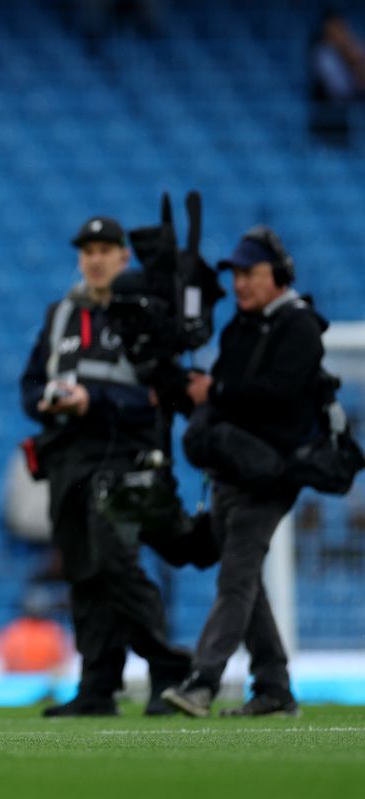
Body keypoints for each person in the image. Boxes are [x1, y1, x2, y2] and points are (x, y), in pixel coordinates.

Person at [20, 216, 191, 717]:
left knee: (116, 562)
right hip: (67, 459)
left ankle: (168, 670)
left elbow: (160, 396)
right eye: (87, 249)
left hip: (124, 456)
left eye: (105, 249)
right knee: (82, 572)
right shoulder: (60, 315)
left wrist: (92, 400)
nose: (95, 258)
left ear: (124, 257)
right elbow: (29, 386)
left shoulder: (145, 315)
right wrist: (48, 402)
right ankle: (98, 685)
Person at [162, 228, 323, 718]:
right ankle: (274, 688)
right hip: (233, 472)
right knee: (245, 579)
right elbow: (232, 396)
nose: (241, 285)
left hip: (272, 474)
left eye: (251, 274)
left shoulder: (300, 326)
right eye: (236, 276)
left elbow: (281, 396)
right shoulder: (240, 328)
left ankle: (202, 682)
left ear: (278, 275)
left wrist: (216, 394)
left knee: (235, 578)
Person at [308, 11, 365, 147]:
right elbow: (340, 90)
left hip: (345, 117)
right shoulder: (322, 52)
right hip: (327, 120)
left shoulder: (350, 49)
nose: (340, 32)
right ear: (326, 28)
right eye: (336, 27)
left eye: (341, 27)